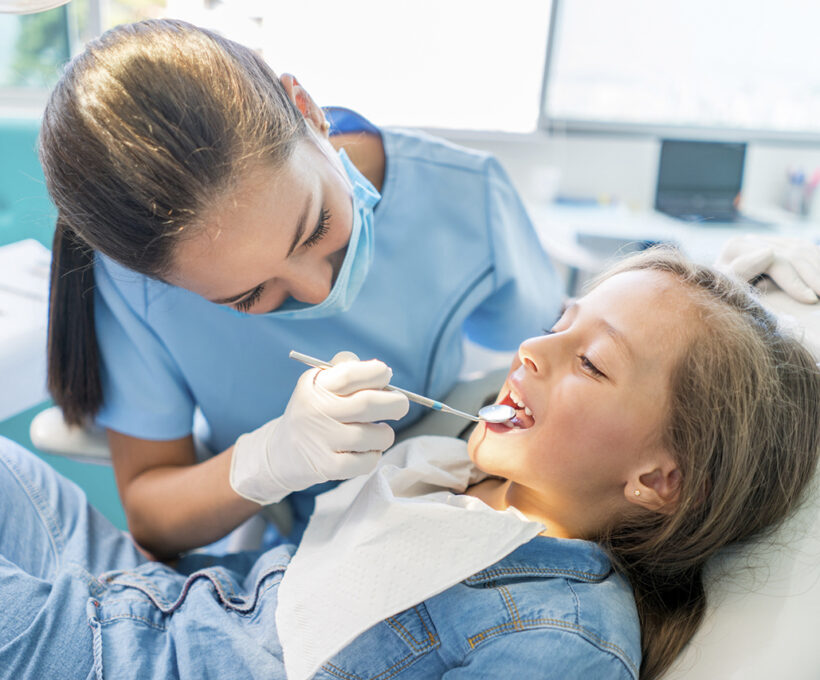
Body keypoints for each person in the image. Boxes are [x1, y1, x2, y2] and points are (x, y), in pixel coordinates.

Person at [2, 249, 818, 680]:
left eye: (591, 363)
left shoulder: (565, 638)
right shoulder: (445, 482)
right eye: (559, 324)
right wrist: (273, 457)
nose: (532, 349)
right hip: (153, 601)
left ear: (658, 480)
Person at [39, 19, 564, 558]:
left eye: (316, 228)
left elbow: (553, 363)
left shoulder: (466, 193)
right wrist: (269, 461)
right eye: (246, 296)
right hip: (302, 552)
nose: (318, 291)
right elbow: (152, 516)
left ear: (306, 108)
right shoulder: (132, 288)